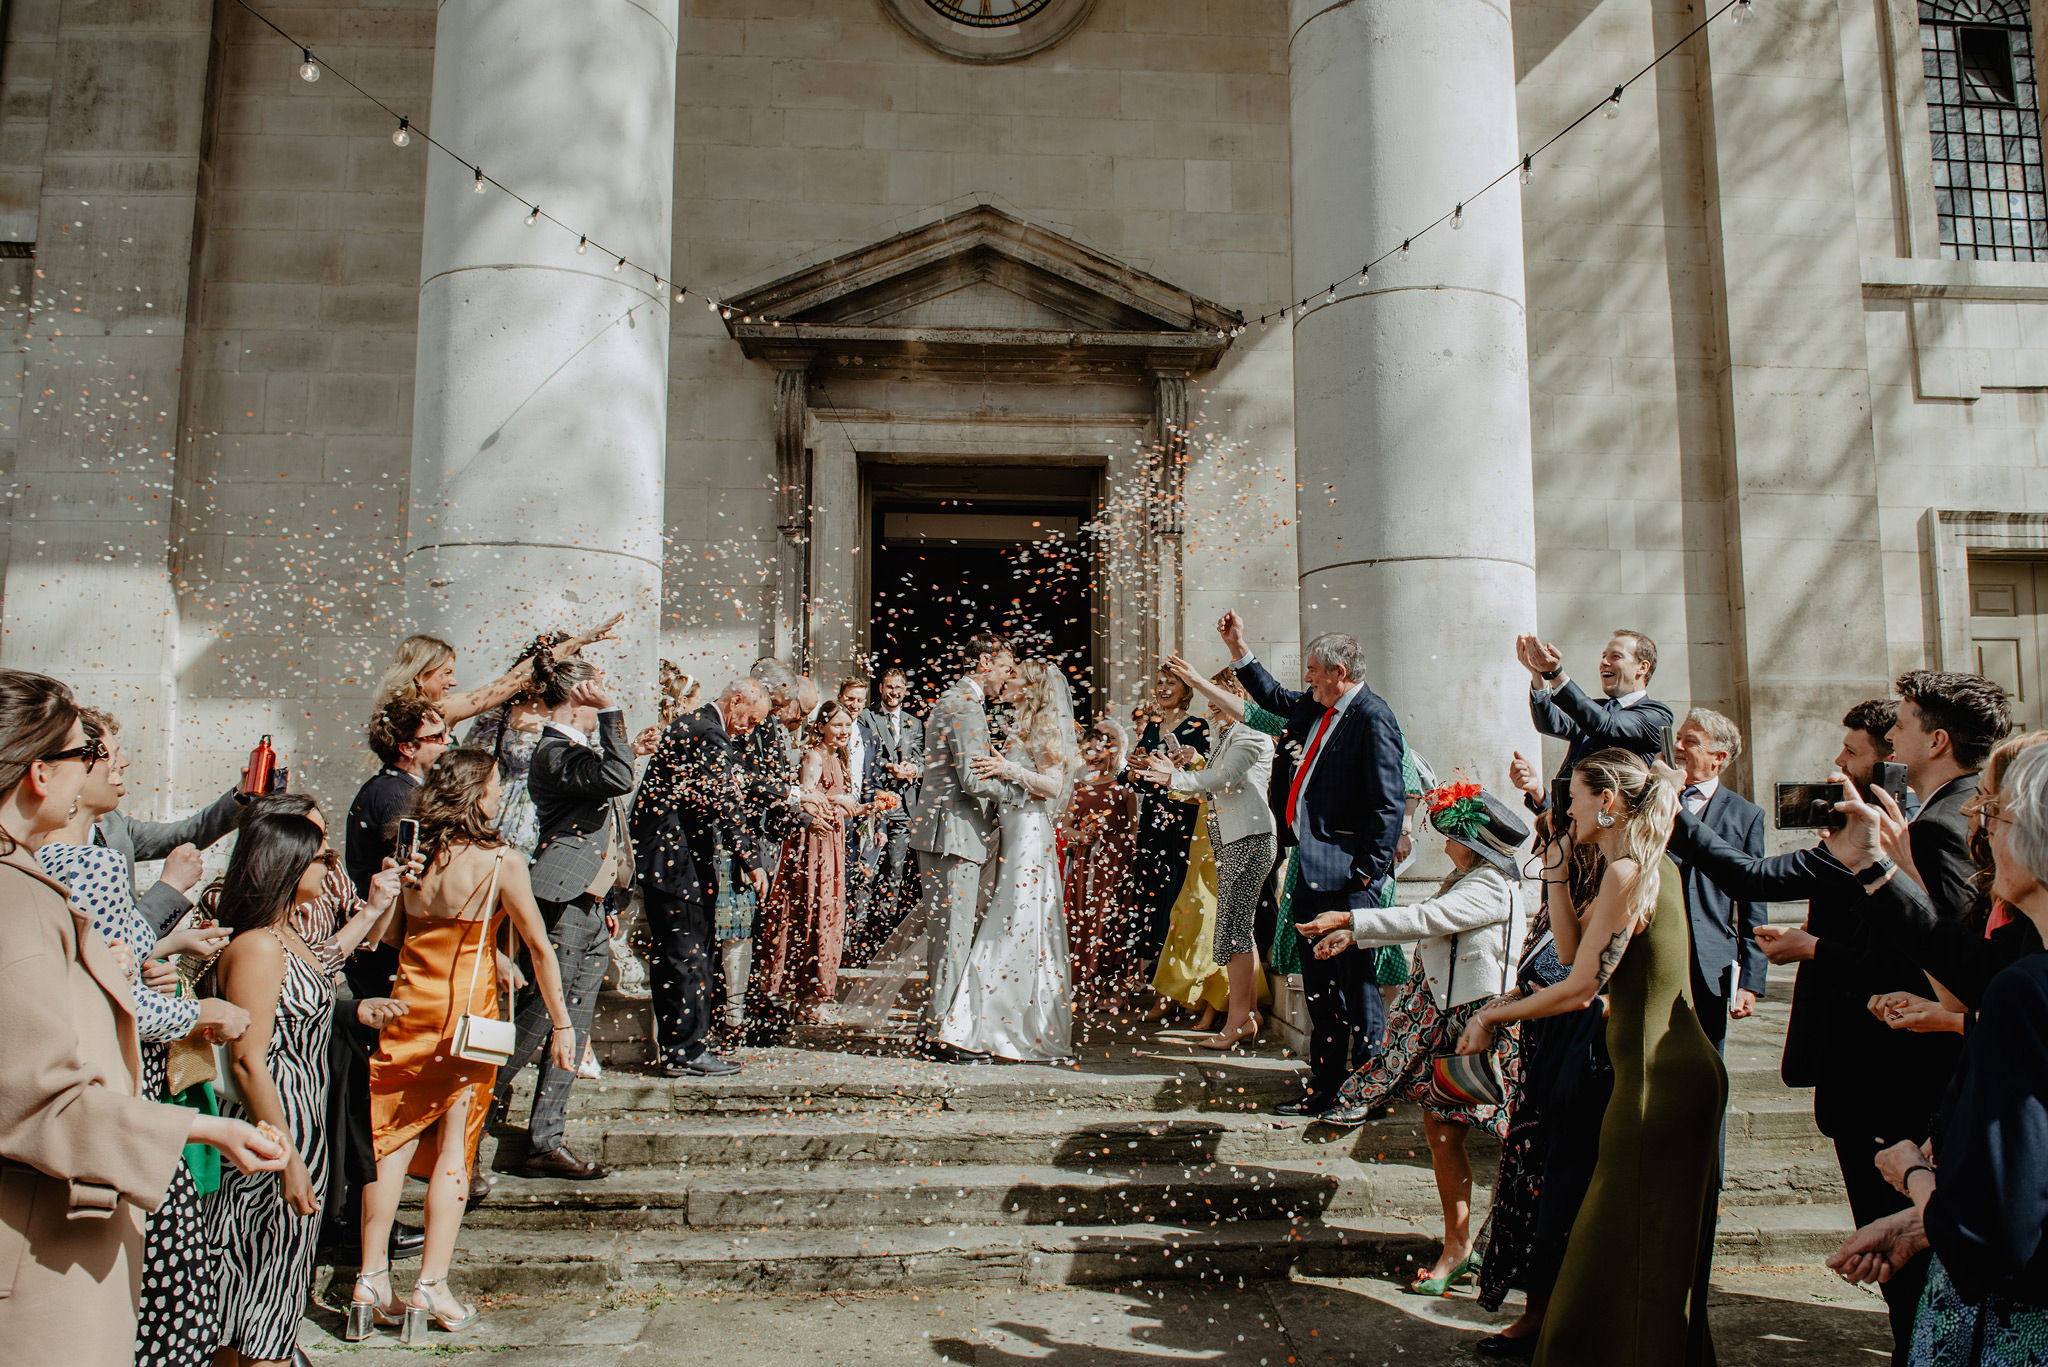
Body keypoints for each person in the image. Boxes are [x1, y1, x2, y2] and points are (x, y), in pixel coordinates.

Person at [1671, 682, 2008, 1360]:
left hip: (1896, 1072)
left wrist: (1820, 944)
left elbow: (1938, 959)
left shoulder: (1941, 825)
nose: (1838, 760)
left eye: (1855, 748)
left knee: (1908, 1260)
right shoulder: (1897, 819)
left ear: (1929, 741)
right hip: (1874, 1064)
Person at [0, 669, 284, 1367]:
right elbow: (39, 1099)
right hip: (45, 1243)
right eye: (83, 755)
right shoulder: (19, 896)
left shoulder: (30, 877)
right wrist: (199, 1124)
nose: (102, 767)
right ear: (41, 771)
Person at [1458, 750, 1725, 1367]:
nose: (1565, 807)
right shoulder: (1621, 866)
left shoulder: (1629, 869)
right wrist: (1552, 871)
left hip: (1659, 1077)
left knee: (1624, 1239)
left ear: (1606, 801)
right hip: (1647, 1067)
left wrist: (1490, 1014)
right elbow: (1573, 953)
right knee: (1630, 1242)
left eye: (1574, 795)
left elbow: (1581, 988)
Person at [1826, 743, 2048, 1364]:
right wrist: (1919, 1225)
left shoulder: (2025, 994)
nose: (1980, 827)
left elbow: (1996, 1240)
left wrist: (1916, 1179)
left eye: (1994, 813)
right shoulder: (2021, 972)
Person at [356, 749, 577, 1340]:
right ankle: (432, 1285)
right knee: (455, 1149)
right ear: (477, 793)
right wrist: (562, 1023)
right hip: (463, 1023)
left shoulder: (414, 859)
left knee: (390, 1145)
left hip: (404, 1015)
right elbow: (541, 948)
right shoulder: (500, 861)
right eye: (496, 786)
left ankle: (370, 1277)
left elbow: (389, 938)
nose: (500, 795)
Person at [1299, 782, 1528, 1298]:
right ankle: (1458, 1247)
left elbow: (1426, 918)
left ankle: (1512, 1248)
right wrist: (1354, 933)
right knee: (1442, 1131)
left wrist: (1351, 920)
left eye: (1450, 834)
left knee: (1514, 1139)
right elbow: (1422, 922)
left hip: (1491, 1027)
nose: (1442, 842)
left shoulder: (1491, 884)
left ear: (1472, 842)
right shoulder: (1461, 875)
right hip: (1451, 1025)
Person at [1218, 612, 1406, 1118]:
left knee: (1357, 986)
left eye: (1313, 671)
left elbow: (1389, 802)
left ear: (1338, 673)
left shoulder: (1372, 717)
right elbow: (1275, 699)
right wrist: (1240, 649)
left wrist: (1368, 873)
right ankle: (1324, 1088)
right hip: (1308, 868)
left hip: (1348, 879)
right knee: (1320, 990)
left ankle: (1367, 1094)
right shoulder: (1316, 707)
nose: (1307, 680)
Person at [203, 805, 344, 1367]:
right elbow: (247, 1062)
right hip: (271, 1132)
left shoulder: (293, 938)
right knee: (259, 1297)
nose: (331, 863)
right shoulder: (260, 946)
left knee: (270, 1291)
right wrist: (285, 1156)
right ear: (288, 863)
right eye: (321, 855)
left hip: (303, 1124)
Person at [491, 660, 633, 1181]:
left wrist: (612, 897)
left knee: (572, 1025)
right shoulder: (553, 753)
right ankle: (474, 1109)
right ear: (579, 694)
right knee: (539, 1020)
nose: (606, 693)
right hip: (561, 904)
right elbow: (620, 777)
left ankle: (545, 1138)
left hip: (591, 905)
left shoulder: (573, 751)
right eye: (597, 687)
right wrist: (612, 711)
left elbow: (607, 832)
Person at [937, 659, 1081, 1063]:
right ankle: (991, 1021)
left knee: (1017, 919)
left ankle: (1000, 1028)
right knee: (1007, 916)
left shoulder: (1046, 725)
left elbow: (1053, 786)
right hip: (1013, 828)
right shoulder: (1021, 723)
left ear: (1031, 686)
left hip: (1031, 835)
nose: (1008, 679)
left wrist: (1006, 766)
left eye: (1015, 675)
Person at [632, 679, 768, 1076]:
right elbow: (725, 798)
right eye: (751, 718)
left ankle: (683, 1047)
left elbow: (732, 781)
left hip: (669, 860)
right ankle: (685, 1051)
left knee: (683, 955)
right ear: (736, 699)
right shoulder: (708, 731)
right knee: (687, 957)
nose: (751, 729)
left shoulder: (695, 724)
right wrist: (751, 860)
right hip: (676, 862)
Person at [1135, 667, 1276, 1048]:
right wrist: (1174, 771)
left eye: (1216, 695)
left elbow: (1225, 781)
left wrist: (1172, 778)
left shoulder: (1249, 733)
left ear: (1239, 698)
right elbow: (1207, 791)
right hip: (1228, 838)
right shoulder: (1226, 735)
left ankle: (1240, 1019)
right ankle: (1243, 1017)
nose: (1210, 703)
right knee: (1232, 933)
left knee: (1234, 932)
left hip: (1249, 838)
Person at [905, 634, 1021, 1064]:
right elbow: (973, 780)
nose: (1008, 678)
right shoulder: (965, 704)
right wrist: (1018, 790)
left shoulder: (956, 700)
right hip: (951, 834)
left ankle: (931, 1025)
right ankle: (944, 1036)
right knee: (953, 936)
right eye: (1006, 668)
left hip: (949, 831)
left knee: (949, 935)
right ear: (985, 662)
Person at [754, 701, 885, 1026]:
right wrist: (837, 800)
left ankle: (810, 996)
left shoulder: (836, 758)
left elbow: (835, 804)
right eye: (837, 725)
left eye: (846, 726)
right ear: (822, 726)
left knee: (828, 913)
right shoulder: (814, 756)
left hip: (833, 843)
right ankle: (803, 997)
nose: (843, 731)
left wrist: (864, 809)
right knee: (813, 911)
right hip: (814, 845)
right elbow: (806, 797)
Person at [1667, 707, 1768, 1051]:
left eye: (1690, 741)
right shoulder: (1650, 799)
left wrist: (1751, 981)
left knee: (1707, 1068)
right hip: (1650, 953)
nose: (1677, 745)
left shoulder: (1746, 815)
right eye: (1678, 737)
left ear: (1718, 758)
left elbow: (1754, 900)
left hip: (1708, 961)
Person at [1514, 628, 1672, 818]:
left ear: (1642, 667)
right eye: (1604, 656)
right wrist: (1537, 675)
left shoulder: (1655, 715)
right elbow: (1550, 723)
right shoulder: (1599, 709)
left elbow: (1605, 725)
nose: (1604, 662)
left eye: (1616, 656)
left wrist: (1555, 673)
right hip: (1569, 827)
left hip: (1608, 832)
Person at [1127, 665, 1213, 1013]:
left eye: (1171, 683)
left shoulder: (1198, 727)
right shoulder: (1150, 727)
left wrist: (1181, 767)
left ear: (1185, 689)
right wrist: (1134, 769)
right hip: (1153, 821)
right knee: (1153, 893)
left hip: (1183, 820)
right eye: (1159, 682)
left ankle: (1177, 991)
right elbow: (1139, 781)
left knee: (1178, 896)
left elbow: (1206, 776)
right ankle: (1159, 983)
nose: (1163, 688)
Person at [372, 615, 620, 727]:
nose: (454, 681)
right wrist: (577, 642)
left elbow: (511, 680)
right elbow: (511, 681)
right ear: (419, 675)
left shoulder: (392, 716)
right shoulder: (433, 714)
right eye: (445, 673)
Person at [461, 633, 570, 860]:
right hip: (505, 812)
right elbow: (473, 761)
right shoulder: (503, 711)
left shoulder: (576, 715)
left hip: (556, 816)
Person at [1062, 718, 1139, 1012]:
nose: (1093, 756)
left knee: (1114, 921)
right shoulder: (1078, 787)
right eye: (1088, 751)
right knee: (1085, 922)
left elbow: (1133, 829)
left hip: (1117, 860)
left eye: (1099, 750)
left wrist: (1124, 858)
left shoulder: (1124, 787)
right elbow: (1065, 827)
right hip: (1086, 860)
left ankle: (1117, 987)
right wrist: (1082, 835)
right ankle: (1085, 986)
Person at [856, 666, 924, 963]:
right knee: (866, 872)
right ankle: (857, 938)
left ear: (905, 690)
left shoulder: (914, 724)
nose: (894, 692)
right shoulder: (866, 718)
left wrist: (913, 769)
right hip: (874, 804)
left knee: (895, 874)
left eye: (899, 687)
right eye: (889, 686)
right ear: (881, 688)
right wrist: (889, 767)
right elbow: (866, 755)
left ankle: (884, 939)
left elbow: (921, 758)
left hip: (904, 808)